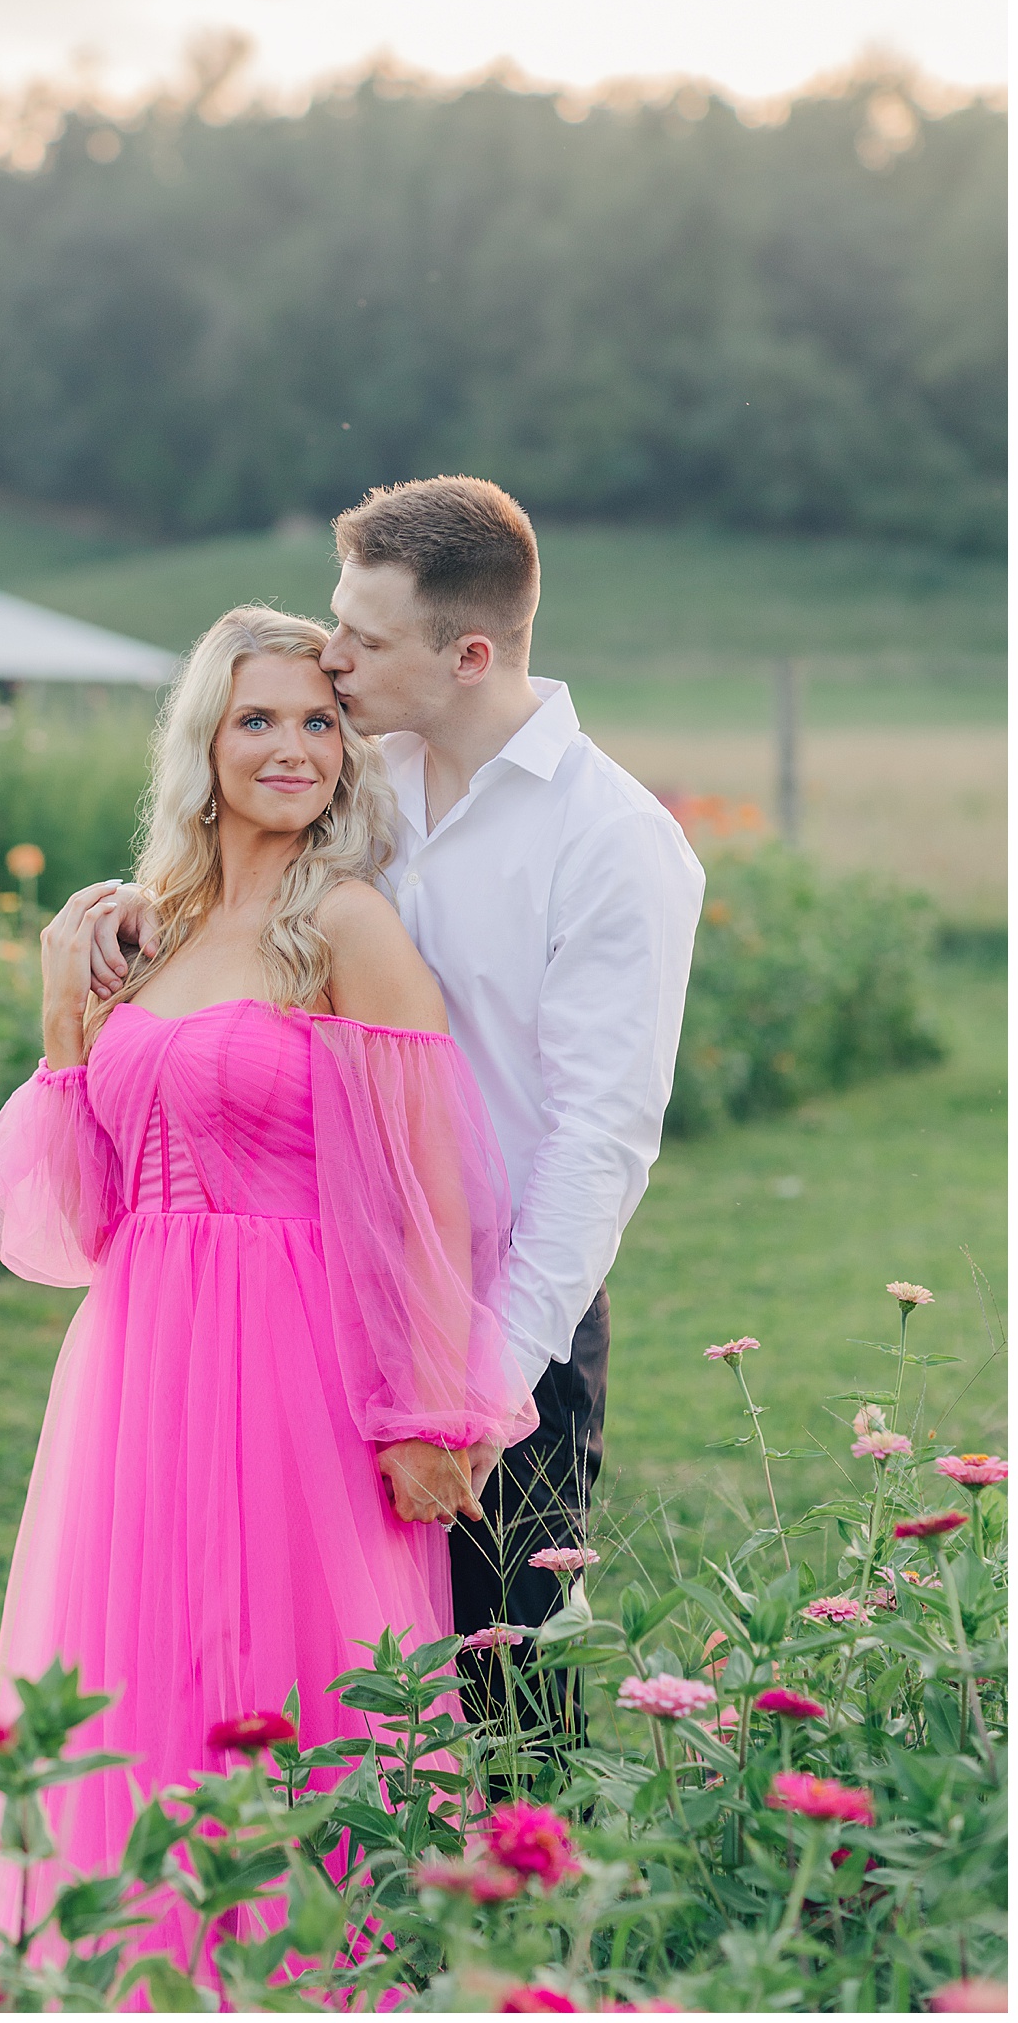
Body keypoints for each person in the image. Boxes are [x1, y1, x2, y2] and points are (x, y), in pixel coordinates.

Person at [0, 607, 536, 1980]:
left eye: (320, 721)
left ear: (350, 750)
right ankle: (146, 1969)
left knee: (303, 1665)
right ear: (204, 742)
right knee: (141, 1656)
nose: (291, 748)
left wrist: (424, 1409)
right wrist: (64, 1019)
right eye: (257, 719)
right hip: (140, 1350)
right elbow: (80, 1217)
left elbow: (424, 1199)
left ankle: (318, 1976)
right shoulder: (143, 937)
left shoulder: (345, 926)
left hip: (299, 1353)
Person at [88, 478, 705, 1724]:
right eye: (336, 620)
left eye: (364, 637)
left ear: (469, 653)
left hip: (497, 1322)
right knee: (325, 1677)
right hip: (322, 1310)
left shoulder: (611, 841)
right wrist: (131, 913)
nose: (334, 654)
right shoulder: (365, 781)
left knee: (504, 1701)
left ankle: (536, 1927)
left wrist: (478, 1384)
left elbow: (599, 1140)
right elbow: (251, 884)